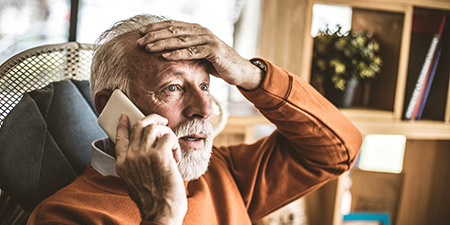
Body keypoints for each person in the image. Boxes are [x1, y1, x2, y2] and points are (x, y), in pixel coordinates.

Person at [27, 14, 362, 225]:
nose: (205, 108)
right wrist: (162, 213)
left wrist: (250, 74)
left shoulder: (223, 173)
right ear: (112, 108)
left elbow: (339, 149)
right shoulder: (63, 215)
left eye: (205, 85)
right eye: (173, 87)